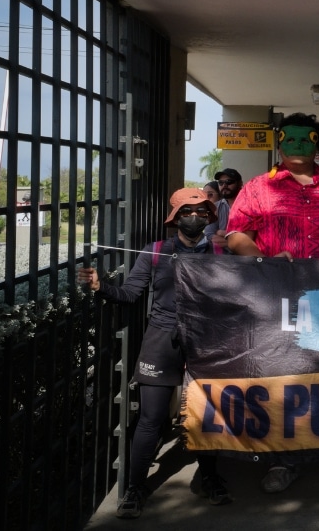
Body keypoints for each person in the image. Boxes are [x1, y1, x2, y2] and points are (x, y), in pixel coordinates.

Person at [225, 112, 319, 494]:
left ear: (317, 143)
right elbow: (236, 234)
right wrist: (264, 259)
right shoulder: (258, 188)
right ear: (279, 143)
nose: (295, 146)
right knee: (284, 378)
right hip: (279, 303)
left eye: (304, 139)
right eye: (288, 139)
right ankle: (283, 461)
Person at [77, 188, 231, 519]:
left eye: (202, 212)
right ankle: (135, 487)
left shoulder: (220, 252)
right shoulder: (156, 251)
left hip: (206, 342)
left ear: (210, 217)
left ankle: (211, 478)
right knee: (151, 417)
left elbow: (240, 296)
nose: (195, 217)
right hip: (162, 340)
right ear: (175, 218)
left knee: (207, 415)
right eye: (188, 212)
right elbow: (130, 294)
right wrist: (99, 286)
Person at [212, 168, 243, 246]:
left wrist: (221, 233)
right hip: (221, 253)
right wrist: (239, 242)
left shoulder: (250, 206)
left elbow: (251, 237)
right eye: (221, 182)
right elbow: (210, 235)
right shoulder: (215, 207)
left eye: (229, 182)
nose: (224, 185)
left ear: (240, 183)